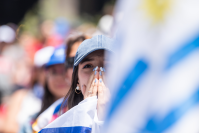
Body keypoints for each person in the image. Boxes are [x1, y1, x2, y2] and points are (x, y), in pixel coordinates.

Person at [40, 35, 114, 133]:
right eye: (88, 66)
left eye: (107, 65)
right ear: (77, 80)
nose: (97, 73)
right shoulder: (57, 125)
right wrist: (86, 113)